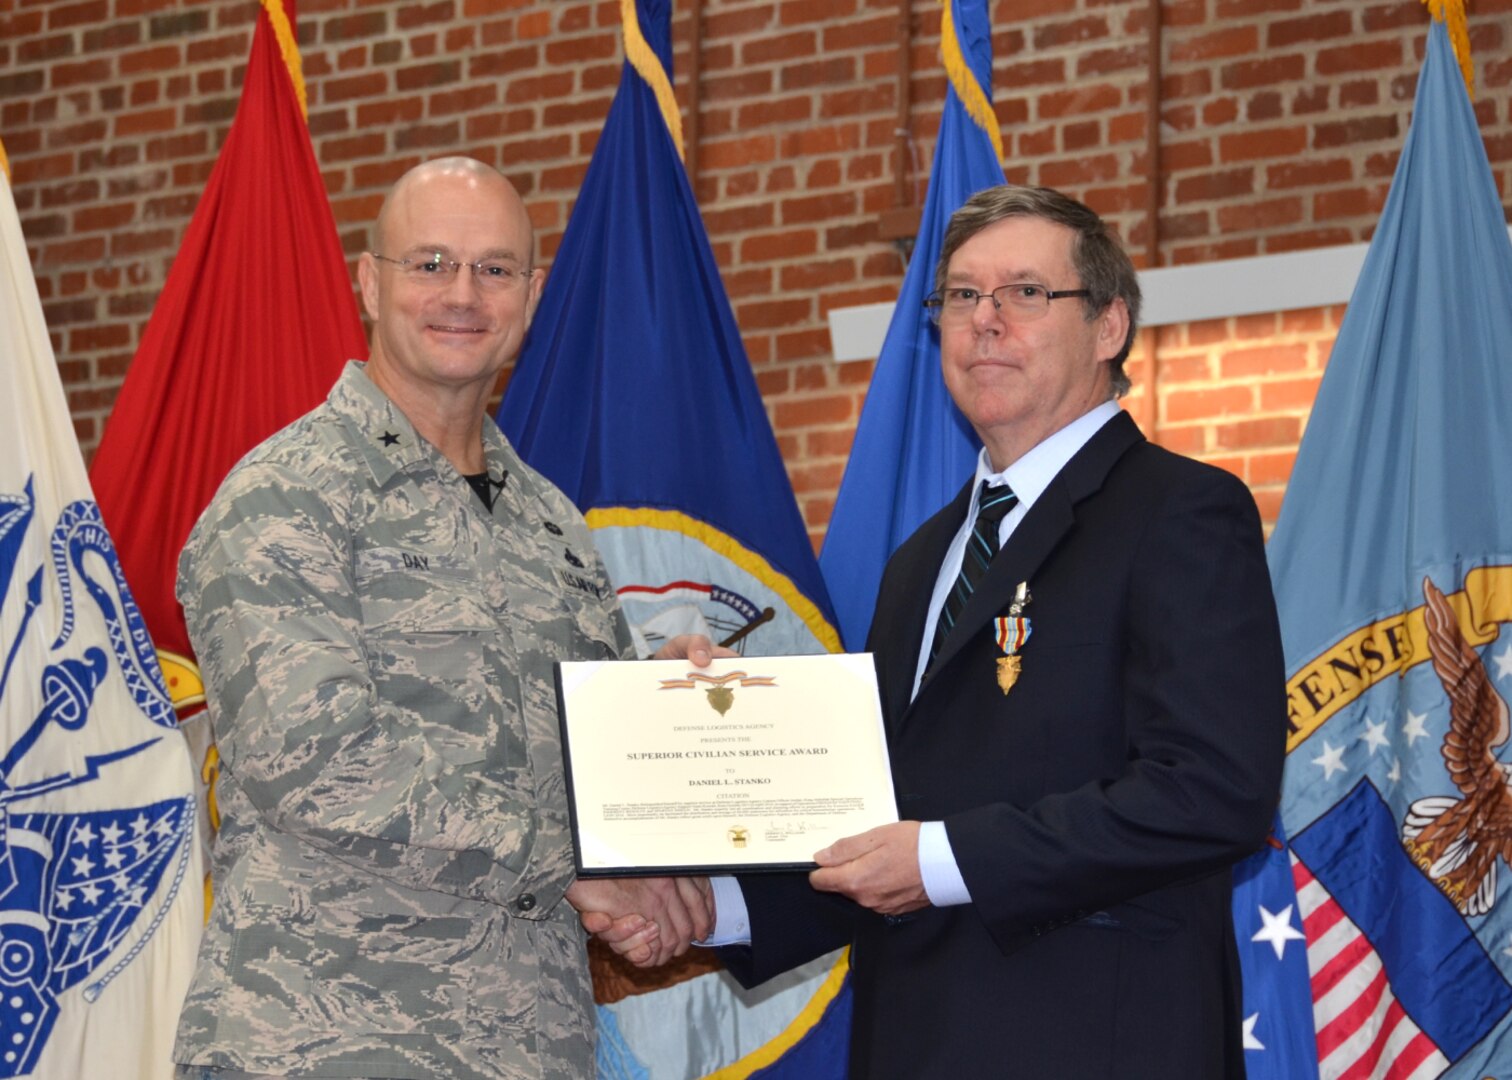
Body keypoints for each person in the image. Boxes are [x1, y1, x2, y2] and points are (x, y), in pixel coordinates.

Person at [590, 185, 1287, 1077]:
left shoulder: (1181, 511)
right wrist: (706, 906)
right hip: (913, 1042)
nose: (985, 322)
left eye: (1025, 293)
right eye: (961, 296)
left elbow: (1214, 792)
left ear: (1109, 325)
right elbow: (877, 813)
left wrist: (944, 857)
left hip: (1096, 1043)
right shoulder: (924, 558)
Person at [172, 156, 711, 1080]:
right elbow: (320, 766)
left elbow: (599, 767)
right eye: (430, 264)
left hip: (534, 1045)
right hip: (327, 1042)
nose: (463, 294)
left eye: (495, 269)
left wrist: (681, 715)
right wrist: (577, 865)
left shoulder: (552, 526)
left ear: (533, 294)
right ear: (368, 283)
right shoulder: (283, 499)